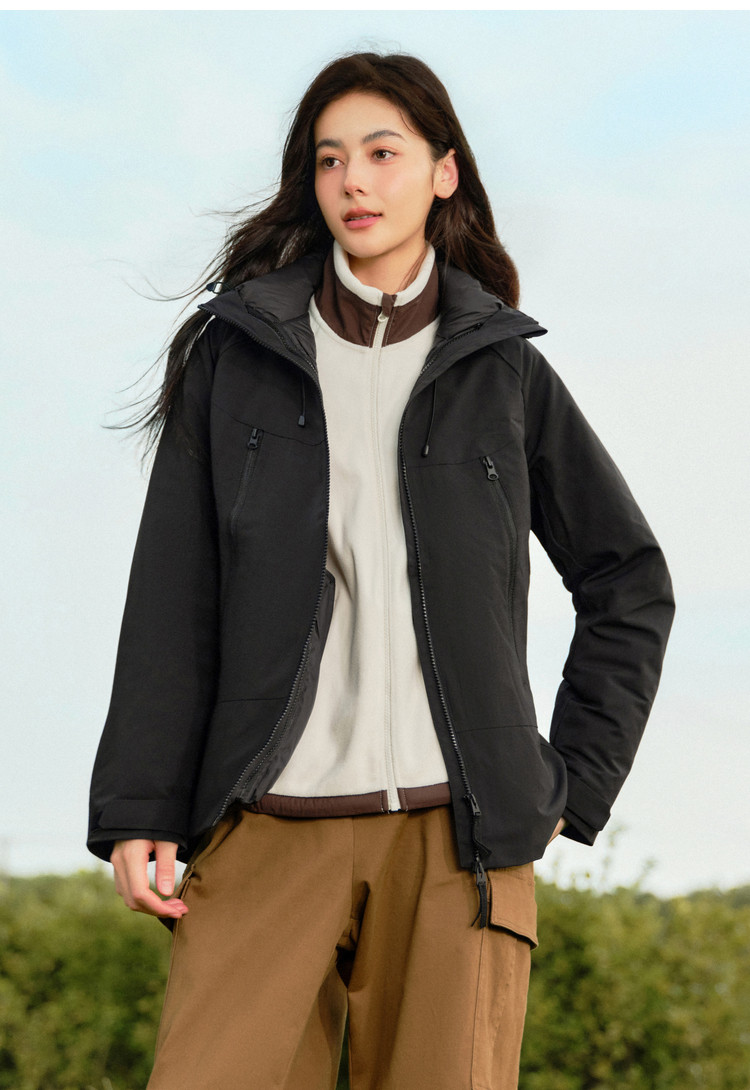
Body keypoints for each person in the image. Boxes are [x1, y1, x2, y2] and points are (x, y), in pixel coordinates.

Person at [87, 51, 674, 1090]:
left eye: (381, 153)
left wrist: (568, 782)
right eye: (329, 160)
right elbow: (174, 592)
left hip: (458, 843)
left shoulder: (506, 374)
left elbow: (627, 579)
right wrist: (141, 803)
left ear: (444, 173)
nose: (353, 180)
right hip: (264, 824)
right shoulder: (235, 359)